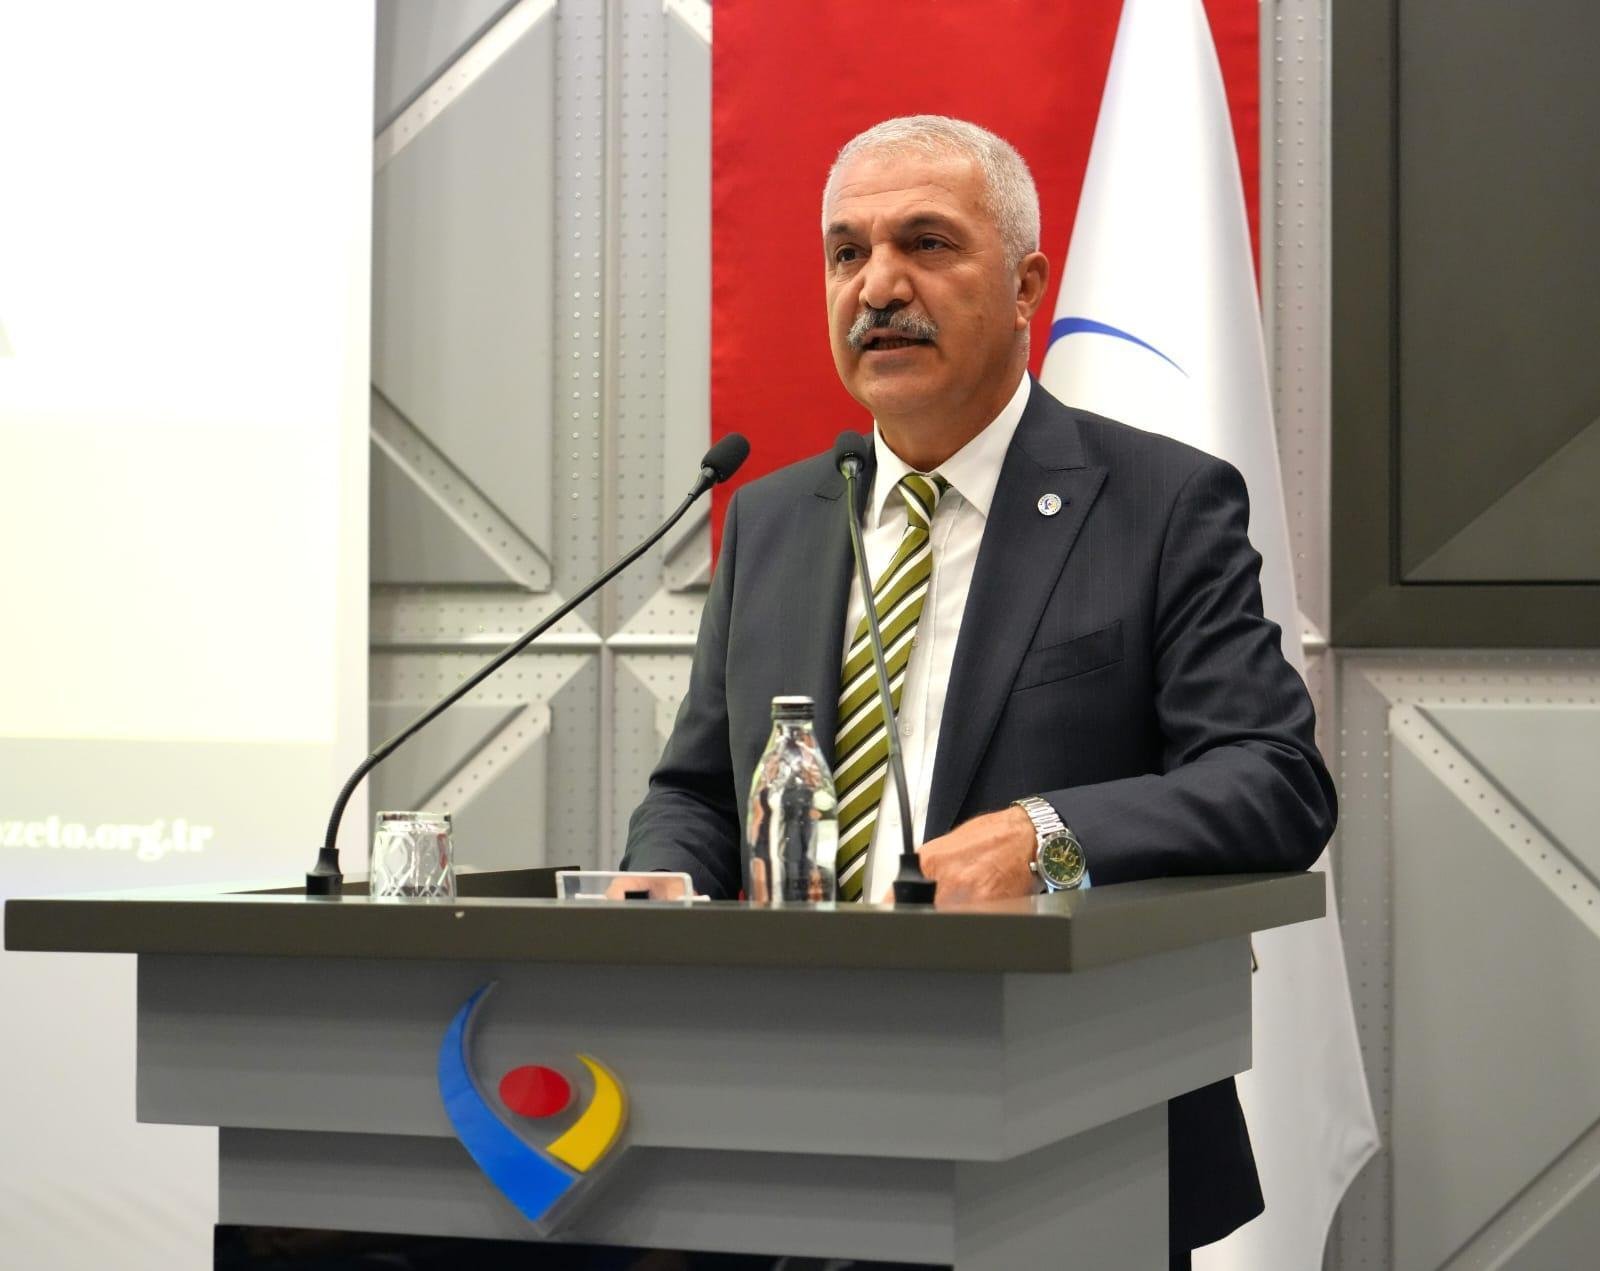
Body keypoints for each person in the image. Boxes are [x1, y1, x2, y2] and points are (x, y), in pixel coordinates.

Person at [622, 115, 1336, 1268]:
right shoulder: (774, 519)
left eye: (925, 242)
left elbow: (1274, 779)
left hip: (1063, 1124)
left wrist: (1042, 836)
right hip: (783, 1111)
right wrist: (654, 889)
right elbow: (698, 790)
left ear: (1025, 287)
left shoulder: (1157, 502)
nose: (876, 286)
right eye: (846, 253)